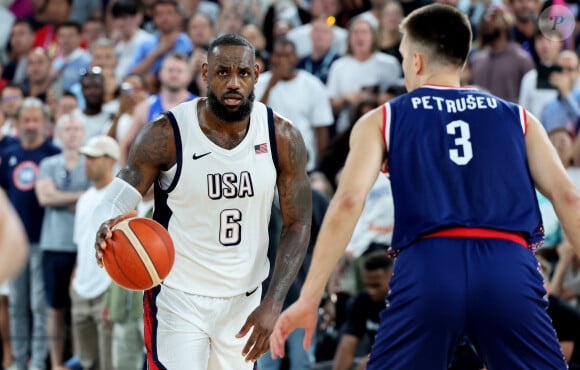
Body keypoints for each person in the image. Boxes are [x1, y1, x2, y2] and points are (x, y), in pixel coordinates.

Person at [270, 4, 578, 369]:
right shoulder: (520, 118)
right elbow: (569, 196)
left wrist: (309, 297)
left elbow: (350, 200)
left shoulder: (384, 118)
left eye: (401, 58)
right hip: (508, 264)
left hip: (429, 264)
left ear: (415, 61)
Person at [93, 33, 312, 369]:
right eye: (223, 72)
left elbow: (298, 224)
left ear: (256, 73)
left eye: (242, 73)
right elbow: (118, 197)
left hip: (245, 300)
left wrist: (273, 301)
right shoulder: (166, 133)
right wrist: (105, 224)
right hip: (179, 297)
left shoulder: (281, 136)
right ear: (206, 74)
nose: (234, 83)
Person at [72, 135, 120, 370]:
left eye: (93, 157)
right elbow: (80, 244)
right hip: (81, 289)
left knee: (109, 363)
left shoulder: (119, 199)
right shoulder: (83, 199)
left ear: (110, 160)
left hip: (106, 289)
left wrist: (114, 293)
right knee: (87, 362)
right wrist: (74, 279)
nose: (87, 163)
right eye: (86, 158)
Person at [332, 250, 393, 370]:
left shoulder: (404, 303)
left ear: (392, 277)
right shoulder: (362, 302)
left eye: (376, 285)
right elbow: (347, 344)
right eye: (367, 285)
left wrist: (373, 360)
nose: (371, 291)